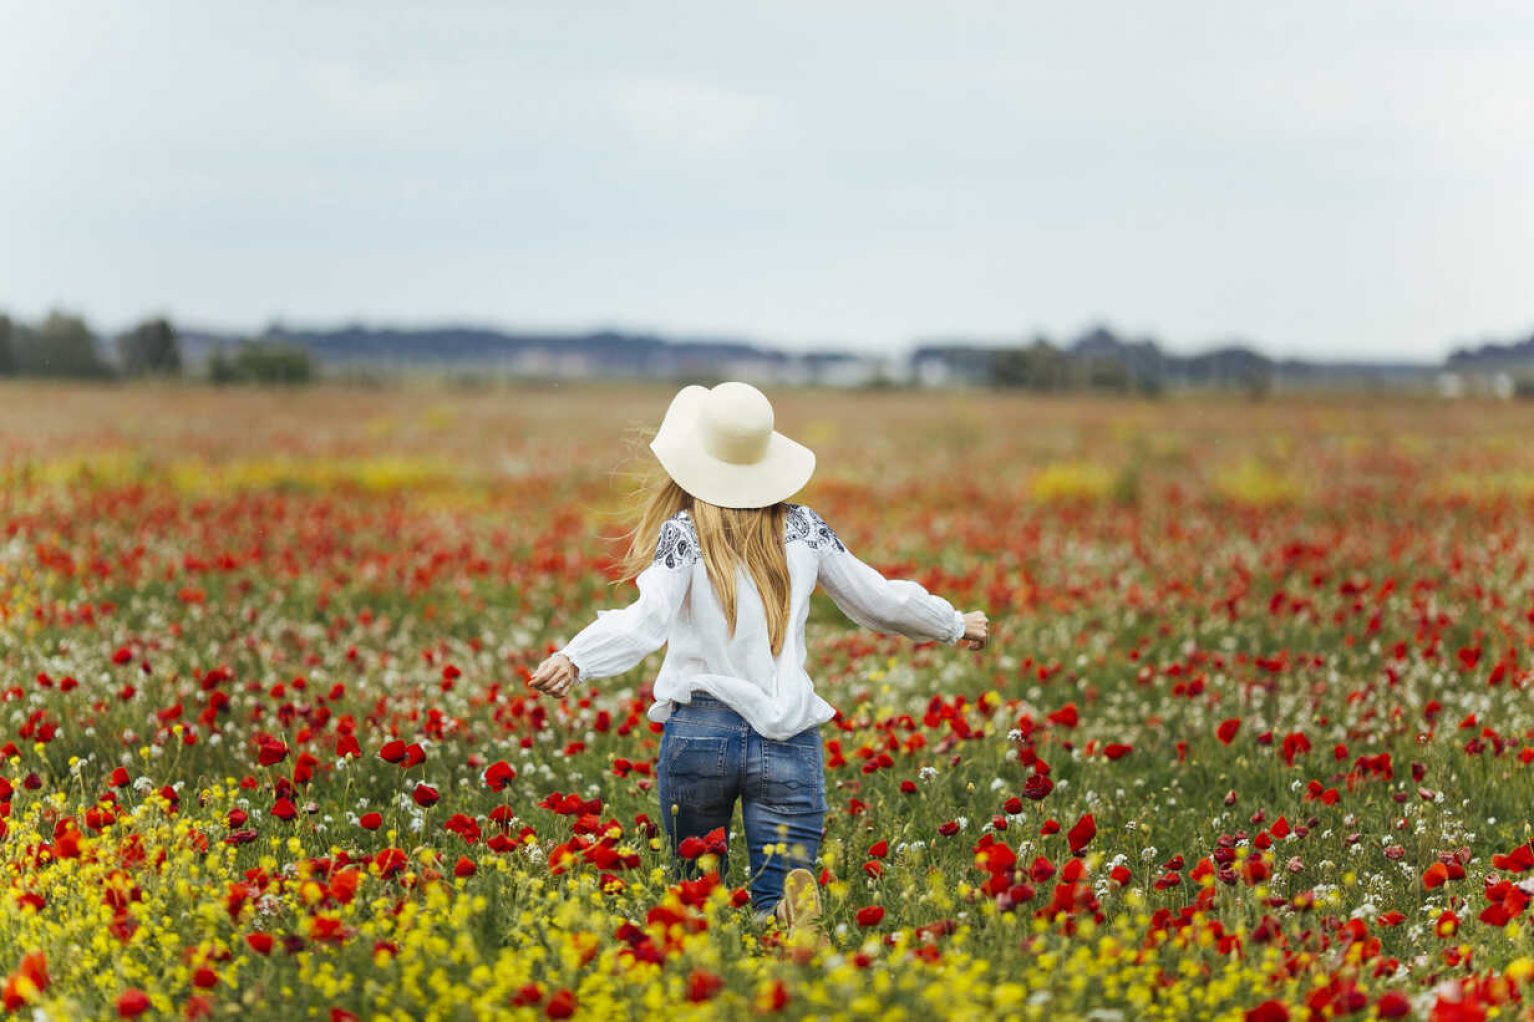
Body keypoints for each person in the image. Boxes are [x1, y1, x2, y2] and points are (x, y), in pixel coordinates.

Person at [528, 381, 988, 941]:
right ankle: (786, 933)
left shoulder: (684, 533)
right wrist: (952, 623)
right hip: (786, 734)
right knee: (781, 900)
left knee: (697, 894)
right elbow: (878, 598)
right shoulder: (805, 529)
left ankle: (707, 978)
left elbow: (645, 619)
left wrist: (577, 658)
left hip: (699, 733)